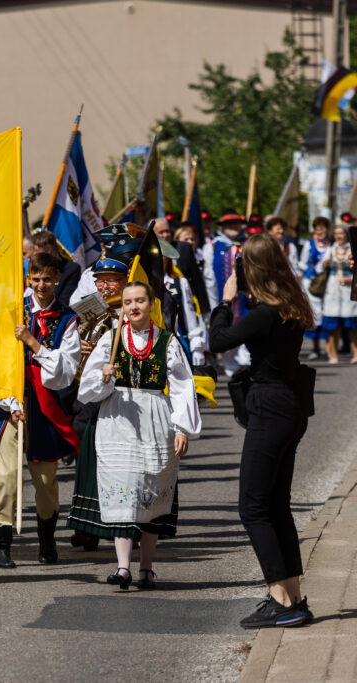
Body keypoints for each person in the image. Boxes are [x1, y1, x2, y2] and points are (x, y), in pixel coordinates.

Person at [209, 232, 314, 628]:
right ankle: (294, 596)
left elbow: (218, 341)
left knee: (253, 507)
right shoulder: (290, 305)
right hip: (290, 406)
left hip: (270, 408)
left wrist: (224, 299)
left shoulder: (265, 313)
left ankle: (280, 599)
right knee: (276, 505)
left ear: (249, 268)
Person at [78, 281, 201, 590]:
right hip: (117, 419)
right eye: (128, 302)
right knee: (123, 487)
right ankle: (122, 567)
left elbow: (184, 386)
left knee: (151, 489)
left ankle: (146, 567)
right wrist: (104, 377)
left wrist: (183, 428)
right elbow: (87, 390)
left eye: (140, 301)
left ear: (150, 304)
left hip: (155, 418)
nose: (133, 307)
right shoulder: (111, 339)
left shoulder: (167, 341)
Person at [0, 252, 81, 568]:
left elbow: (64, 370)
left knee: (45, 480)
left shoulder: (68, 318)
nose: (41, 285)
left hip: (44, 405)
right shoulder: (13, 311)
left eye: (47, 279)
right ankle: (1, 545)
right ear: (28, 279)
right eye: (35, 279)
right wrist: (12, 402)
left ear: (57, 280)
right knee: (5, 475)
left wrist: (32, 343)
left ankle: (47, 541)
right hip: (10, 402)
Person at [66, 225, 138, 551]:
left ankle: (127, 526)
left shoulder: (132, 314)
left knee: (123, 465)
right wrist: (76, 347)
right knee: (89, 463)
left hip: (122, 398)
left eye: (111, 281)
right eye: (100, 280)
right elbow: (66, 347)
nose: (104, 285)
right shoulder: (88, 311)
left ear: (124, 283)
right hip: (88, 396)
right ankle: (87, 526)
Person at [203, 212, 251, 376]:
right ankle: (233, 371)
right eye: (229, 224)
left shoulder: (249, 244)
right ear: (222, 227)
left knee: (247, 329)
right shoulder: (212, 246)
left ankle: (247, 365)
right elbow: (209, 278)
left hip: (246, 300)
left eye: (235, 223)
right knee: (228, 332)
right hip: (224, 297)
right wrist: (213, 304)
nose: (232, 226)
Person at [317, 225, 357, 364]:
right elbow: (318, 268)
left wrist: (350, 279)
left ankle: (356, 353)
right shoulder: (330, 249)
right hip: (333, 289)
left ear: (347, 235)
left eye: (341, 233)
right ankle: (333, 354)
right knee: (333, 325)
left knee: (352, 325)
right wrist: (324, 263)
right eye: (336, 234)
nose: (338, 236)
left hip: (348, 289)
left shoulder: (352, 249)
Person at [300, 217, 332, 359]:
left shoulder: (332, 245)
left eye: (322, 228)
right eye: (316, 228)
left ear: (327, 230)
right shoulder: (309, 245)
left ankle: (328, 348)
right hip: (311, 284)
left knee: (327, 314)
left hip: (328, 284)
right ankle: (315, 348)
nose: (319, 231)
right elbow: (302, 264)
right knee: (314, 315)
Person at [31, 230, 80, 307]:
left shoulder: (71, 269)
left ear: (56, 248)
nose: (44, 259)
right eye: (40, 255)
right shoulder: (31, 267)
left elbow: (64, 301)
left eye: (47, 254)